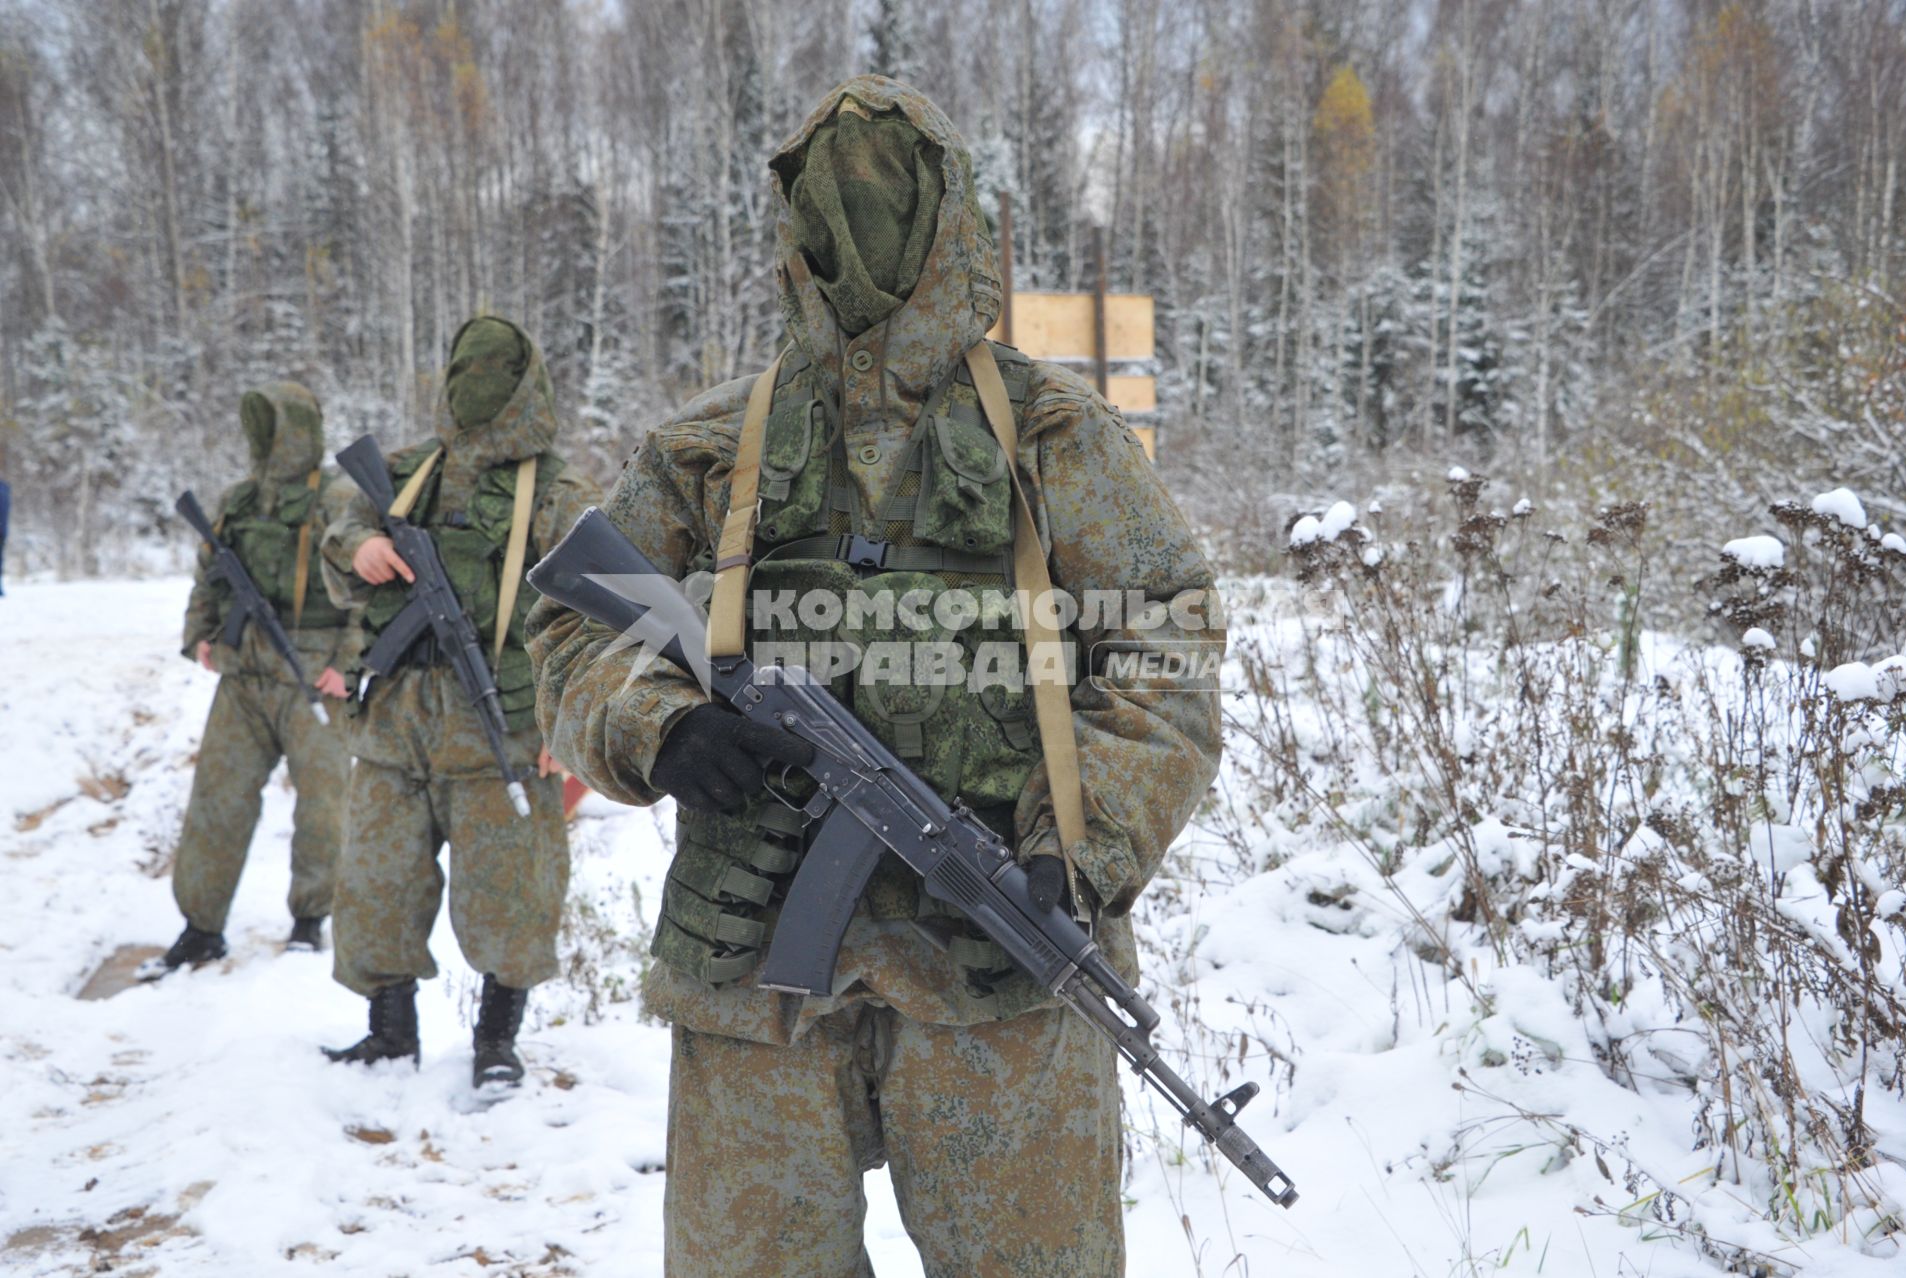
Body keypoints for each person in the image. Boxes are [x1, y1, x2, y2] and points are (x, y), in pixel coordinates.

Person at [527, 77, 1223, 1277]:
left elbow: (1164, 643)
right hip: (753, 972)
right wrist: (663, 730)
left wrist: (1082, 842)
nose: (858, 234)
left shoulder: (1055, 436)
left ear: (949, 220)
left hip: (999, 972)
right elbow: (573, 634)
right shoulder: (713, 445)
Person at [319, 315, 591, 1088]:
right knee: (375, 881)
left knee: (513, 893)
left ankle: (497, 1042)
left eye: (494, 372)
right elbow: (342, 523)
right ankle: (389, 1032)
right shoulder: (409, 472)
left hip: (502, 727)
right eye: (466, 369)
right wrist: (359, 548)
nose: (476, 386)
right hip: (393, 722)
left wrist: (569, 722)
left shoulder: (556, 491)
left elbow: (602, 613)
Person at [140, 382, 355, 979]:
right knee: (218, 797)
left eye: (273, 428)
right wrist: (200, 637)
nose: (264, 441)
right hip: (244, 674)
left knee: (324, 804)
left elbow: (372, 593)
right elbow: (208, 579)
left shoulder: (339, 501)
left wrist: (351, 661)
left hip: (315, 676)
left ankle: (311, 920)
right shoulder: (239, 500)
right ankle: (201, 926)